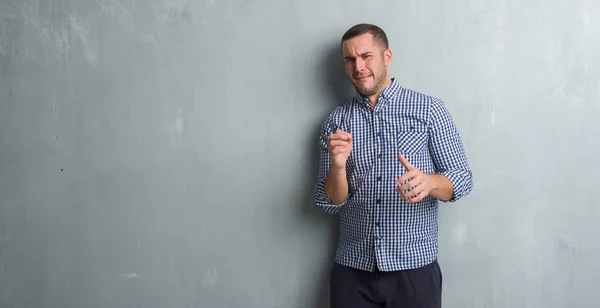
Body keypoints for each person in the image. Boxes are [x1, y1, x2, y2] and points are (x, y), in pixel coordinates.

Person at [314, 23, 474, 308]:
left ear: (386, 57)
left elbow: (462, 179)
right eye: (350, 59)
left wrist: (430, 182)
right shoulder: (336, 122)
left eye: (366, 56)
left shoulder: (429, 110)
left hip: (414, 270)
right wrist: (338, 167)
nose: (358, 66)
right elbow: (329, 203)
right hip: (352, 271)